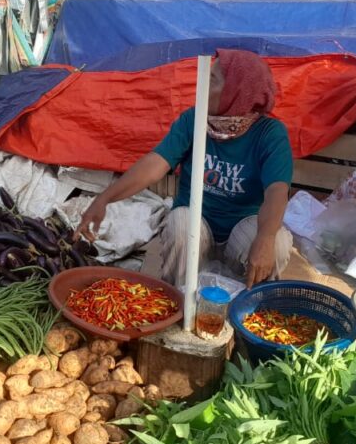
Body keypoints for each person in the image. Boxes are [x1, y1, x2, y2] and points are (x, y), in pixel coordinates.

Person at [77, 49, 294, 288]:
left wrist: (265, 238)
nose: (202, 85)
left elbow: (277, 191)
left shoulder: (270, 134)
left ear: (237, 92)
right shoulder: (194, 119)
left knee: (278, 244)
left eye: (212, 80)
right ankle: (180, 299)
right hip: (197, 230)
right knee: (180, 224)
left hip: (240, 235)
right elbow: (154, 165)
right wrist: (105, 199)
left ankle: (248, 303)